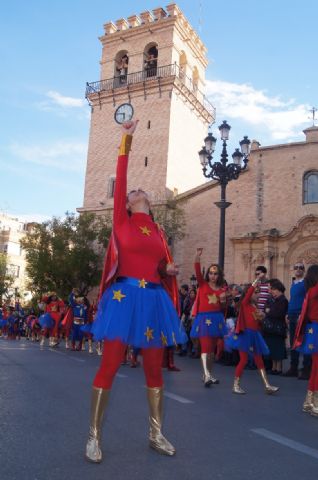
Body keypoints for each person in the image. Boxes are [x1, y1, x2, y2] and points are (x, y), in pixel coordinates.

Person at [85, 120, 186, 463]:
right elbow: (122, 179)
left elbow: (159, 264)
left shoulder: (158, 231)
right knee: (110, 365)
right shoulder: (122, 221)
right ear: (127, 204)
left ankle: (156, 433)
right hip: (124, 300)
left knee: (154, 369)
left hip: (154, 300)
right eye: (131, 193)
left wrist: (167, 269)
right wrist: (126, 139)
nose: (135, 191)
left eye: (140, 191)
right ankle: (94, 438)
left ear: (149, 202)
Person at [227, 281, 279, 394]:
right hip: (245, 335)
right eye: (256, 292)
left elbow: (257, 322)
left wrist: (261, 317)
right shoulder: (245, 303)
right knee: (244, 360)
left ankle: (267, 385)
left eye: (259, 292)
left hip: (255, 335)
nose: (258, 294)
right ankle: (236, 385)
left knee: (259, 360)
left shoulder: (254, 306)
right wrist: (256, 282)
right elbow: (248, 294)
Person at [190, 248, 227, 387]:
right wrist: (197, 256)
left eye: (215, 273)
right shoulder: (203, 284)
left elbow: (223, 308)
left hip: (216, 320)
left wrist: (223, 301)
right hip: (204, 319)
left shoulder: (223, 289)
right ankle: (206, 376)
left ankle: (209, 374)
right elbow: (197, 270)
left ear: (219, 275)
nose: (213, 276)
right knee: (205, 347)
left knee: (211, 350)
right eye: (211, 273)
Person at [293, 265, 318, 415]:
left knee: (315, 368)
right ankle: (314, 403)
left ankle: (309, 402)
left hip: (313, 329)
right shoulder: (314, 290)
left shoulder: (310, 291)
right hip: (316, 328)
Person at [283, 263, 311, 379]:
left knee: (303, 342)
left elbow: (307, 300)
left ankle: (306, 369)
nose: (298, 269)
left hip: (301, 316)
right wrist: (287, 314)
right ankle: (293, 368)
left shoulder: (305, 284)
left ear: (304, 271)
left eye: (301, 268)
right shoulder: (293, 283)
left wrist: (302, 314)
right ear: (293, 270)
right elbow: (292, 300)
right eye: (296, 267)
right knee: (294, 342)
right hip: (292, 315)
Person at [262, 279, 288, 375]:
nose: (272, 292)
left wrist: (269, 312)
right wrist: (268, 311)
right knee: (273, 349)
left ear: (279, 289)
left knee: (278, 349)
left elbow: (279, 313)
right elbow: (267, 309)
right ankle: (274, 367)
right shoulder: (275, 300)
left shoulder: (283, 300)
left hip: (278, 328)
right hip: (272, 328)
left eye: (274, 290)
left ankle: (279, 368)